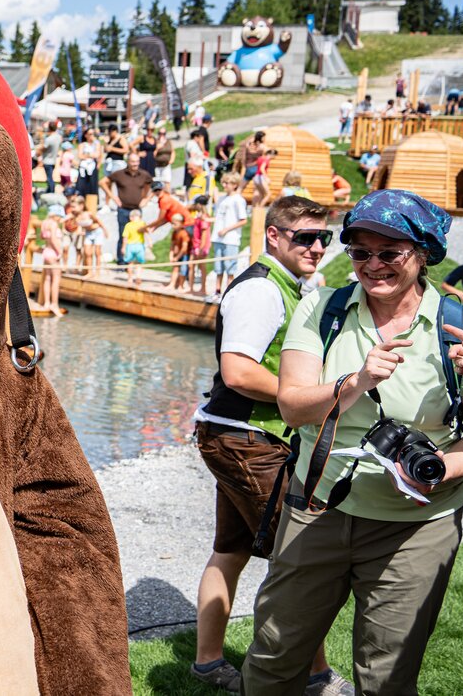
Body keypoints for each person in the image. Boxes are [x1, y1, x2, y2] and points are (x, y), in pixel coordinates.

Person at [243, 190, 463, 694]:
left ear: (423, 254)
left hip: (417, 529)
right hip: (317, 509)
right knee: (273, 657)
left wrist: (438, 468)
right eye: (360, 252)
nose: (373, 265)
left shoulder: (462, 327)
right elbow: (292, 406)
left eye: (389, 252)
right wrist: (356, 381)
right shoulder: (323, 308)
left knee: (386, 677)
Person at [189, 196, 341, 694]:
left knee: (230, 550)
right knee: (298, 559)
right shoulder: (261, 290)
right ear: (273, 235)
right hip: (247, 440)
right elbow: (238, 371)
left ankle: (208, 664)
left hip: (237, 436)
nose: (316, 247)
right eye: (305, 237)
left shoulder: (285, 285)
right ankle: (314, 677)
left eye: (323, 238)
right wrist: (305, 396)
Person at [103, 152, 153, 265]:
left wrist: (146, 198)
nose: (135, 164)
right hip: (123, 209)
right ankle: (122, 261)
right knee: (123, 235)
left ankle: (134, 260)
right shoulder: (120, 174)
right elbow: (103, 182)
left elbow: (152, 185)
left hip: (137, 210)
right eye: (133, 161)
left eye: (137, 161)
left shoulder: (143, 174)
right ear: (128, 162)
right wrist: (113, 197)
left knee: (137, 235)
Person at [211, 172, 248, 294]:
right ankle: (217, 291)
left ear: (235, 184)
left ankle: (228, 293)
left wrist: (226, 229)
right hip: (218, 238)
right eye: (223, 182)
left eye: (227, 183)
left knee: (230, 268)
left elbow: (243, 220)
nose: (224, 185)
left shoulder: (238, 200)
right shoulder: (222, 199)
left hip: (230, 239)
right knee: (218, 267)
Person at [39, 204, 66, 314]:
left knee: (47, 278)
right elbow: (54, 239)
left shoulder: (44, 223)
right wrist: (60, 252)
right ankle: (54, 304)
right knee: (56, 279)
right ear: (56, 215)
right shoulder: (54, 224)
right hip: (54, 253)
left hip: (46, 251)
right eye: (60, 216)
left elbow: (41, 237)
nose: (60, 219)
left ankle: (46, 303)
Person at [190, 195, 213, 297]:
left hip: (200, 246)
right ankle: (191, 288)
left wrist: (201, 248)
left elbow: (204, 234)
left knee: (201, 266)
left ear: (199, 204)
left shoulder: (204, 217)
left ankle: (203, 288)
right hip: (195, 244)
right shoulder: (199, 216)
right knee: (191, 265)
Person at [165, 214, 191, 292]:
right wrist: (171, 255)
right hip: (177, 253)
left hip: (184, 254)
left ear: (181, 223)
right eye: (172, 224)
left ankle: (181, 286)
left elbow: (184, 248)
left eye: (175, 224)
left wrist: (177, 257)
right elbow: (172, 244)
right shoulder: (174, 233)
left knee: (183, 270)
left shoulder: (184, 233)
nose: (173, 226)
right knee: (175, 269)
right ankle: (172, 284)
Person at [122, 209, 147, 286]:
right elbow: (146, 233)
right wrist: (149, 241)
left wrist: (123, 247)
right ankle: (138, 277)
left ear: (130, 217)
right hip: (139, 245)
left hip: (130, 246)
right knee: (139, 263)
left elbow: (125, 237)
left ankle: (130, 278)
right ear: (140, 217)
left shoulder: (128, 225)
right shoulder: (142, 223)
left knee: (130, 263)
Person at [76, 127, 101, 202]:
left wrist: (87, 154)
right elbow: (80, 156)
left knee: (92, 185)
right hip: (83, 167)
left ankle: (92, 202)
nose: (92, 136)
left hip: (92, 167)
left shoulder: (96, 144)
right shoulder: (82, 145)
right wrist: (90, 155)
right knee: (82, 185)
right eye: (90, 134)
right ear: (86, 135)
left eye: (93, 134)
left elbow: (97, 154)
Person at [39, 121, 62, 194]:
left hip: (47, 160)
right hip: (53, 160)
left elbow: (43, 148)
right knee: (50, 177)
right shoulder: (58, 137)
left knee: (49, 178)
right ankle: (50, 190)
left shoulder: (49, 139)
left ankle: (51, 192)